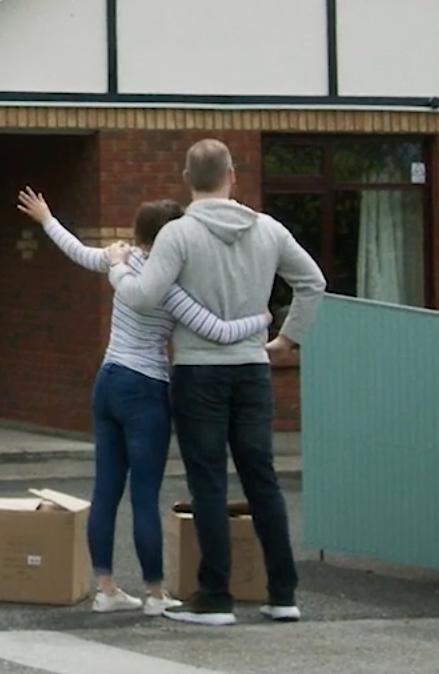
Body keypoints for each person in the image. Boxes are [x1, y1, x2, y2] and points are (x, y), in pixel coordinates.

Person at [16, 187, 272, 615]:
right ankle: (155, 593)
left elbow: (77, 251)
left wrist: (46, 218)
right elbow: (218, 331)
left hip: (108, 381)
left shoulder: (122, 258)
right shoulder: (171, 286)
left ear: (140, 234)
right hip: (145, 388)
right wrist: (261, 319)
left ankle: (106, 589)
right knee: (144, 496)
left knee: (105, 490)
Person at [106, 138, 325, 627]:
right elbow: (313, 282)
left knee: (208, 482)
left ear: (188, 179)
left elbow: (144, 296)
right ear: (232, 176)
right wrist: (287, 339)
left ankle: (216, 597)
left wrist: (118, 270)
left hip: (198, 372)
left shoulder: (178, 235)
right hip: (252, 368)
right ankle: (283, 594)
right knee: (262, 478)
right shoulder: (268, 229)